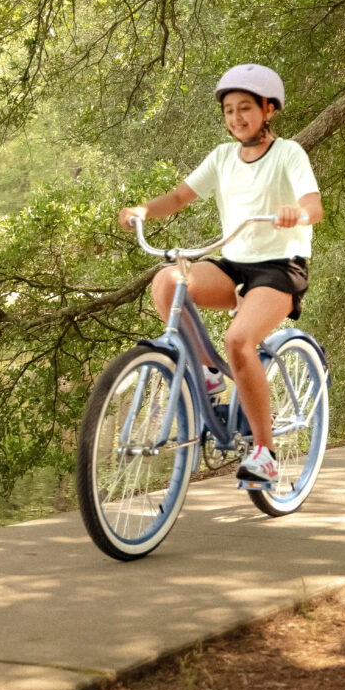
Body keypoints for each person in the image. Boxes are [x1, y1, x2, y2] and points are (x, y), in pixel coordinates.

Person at [119, 63, 322, 490]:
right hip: (234, 263)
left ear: (268, 110)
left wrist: (295, 213)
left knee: (238, 340)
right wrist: (143, 210)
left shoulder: (289, 154)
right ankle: (210, 374)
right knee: (167, 281)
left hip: (280, 267)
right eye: (229, 111)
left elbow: (314, 207)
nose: (236, 118)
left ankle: (265, 454)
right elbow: (179, 196)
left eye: (245, 108)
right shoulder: (222, 157)